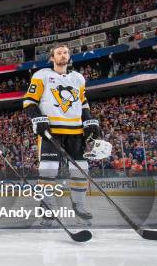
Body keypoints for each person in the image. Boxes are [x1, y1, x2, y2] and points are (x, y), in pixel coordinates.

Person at [23, 44, 101, 226]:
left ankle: (79, 207)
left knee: (80, 170)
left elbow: (83, 103)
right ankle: (48, 209)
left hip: (75, 131)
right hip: (52, 131)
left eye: (66, 52)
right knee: (48, 170)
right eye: (59, 53)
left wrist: (88, 120)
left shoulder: (78, 78)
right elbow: (29, 101)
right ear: (52, 58)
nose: (63, 55)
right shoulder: (42, 75)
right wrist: (38, 118)